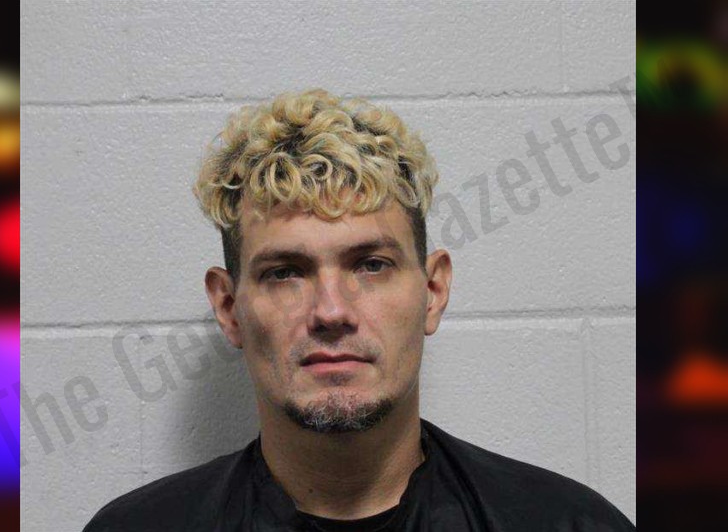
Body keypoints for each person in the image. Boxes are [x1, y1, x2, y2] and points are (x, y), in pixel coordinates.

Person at [83, 89, 635, 531]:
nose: (331, 311)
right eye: (285, 272)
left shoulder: (568, 523)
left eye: (371, 265)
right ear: (229, 308)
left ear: (433, 291)